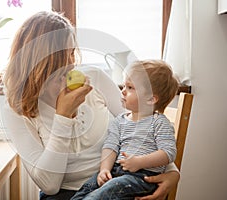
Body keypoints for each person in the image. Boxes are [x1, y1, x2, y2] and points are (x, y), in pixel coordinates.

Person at [2, 11, 180, 200]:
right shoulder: (16, 108)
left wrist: (172, 171)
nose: (72, 64)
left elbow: (139, 127)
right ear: (41, 62)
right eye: (64, 56)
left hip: (118, 182)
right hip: (65, 194)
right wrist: (63, 116)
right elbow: (50, 186)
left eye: (72, 53)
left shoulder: (95, 78)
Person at [70, 60, 179, 200]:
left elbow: (168, 153)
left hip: (142, 177)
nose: (122, 91)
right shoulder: (120, 120)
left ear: (151, 99)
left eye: (130, 87)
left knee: (101, 195)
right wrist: (104, 169)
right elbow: (111, 146)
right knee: (86, 189)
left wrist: (140, 162)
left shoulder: (159, 122)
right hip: (116, 171)